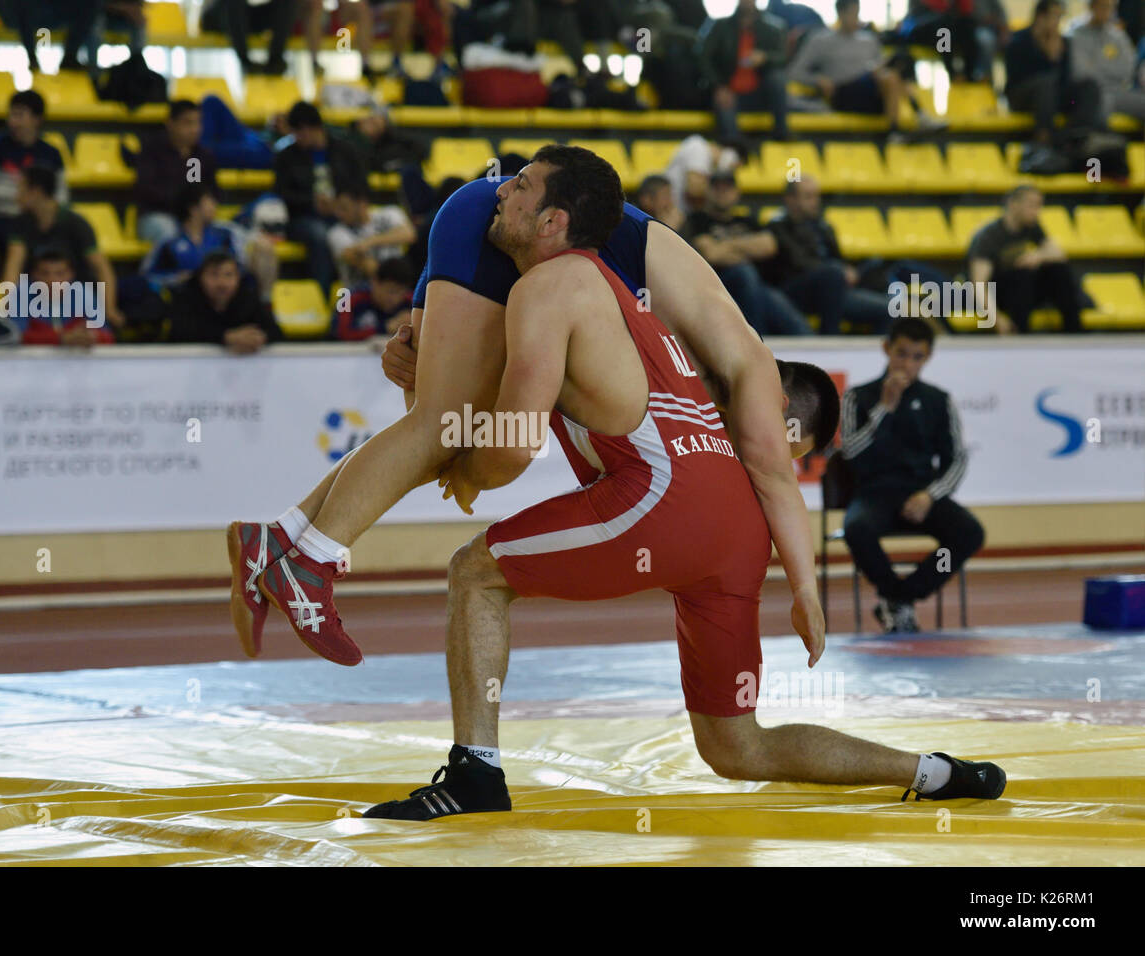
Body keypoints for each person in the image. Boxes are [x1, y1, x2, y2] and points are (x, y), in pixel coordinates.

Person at [351, 154, 1003, 818]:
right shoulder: (672, 336)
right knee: (736, 746)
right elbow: (774, 475)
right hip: (735, 532)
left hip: (665, 497)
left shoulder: (562, 292)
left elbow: (514, 431)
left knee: (475, 574)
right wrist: (805, 591)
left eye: (518, 191)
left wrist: (454, 446)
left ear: (553, 221)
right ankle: (934, 773)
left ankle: (475, 775)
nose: (501, 202)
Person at [226, 148, 817, 691]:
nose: (756, 454)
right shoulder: (751, 373)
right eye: (788, 440)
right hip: (514, 229)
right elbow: (774, 477)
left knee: (434, 421)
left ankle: (278, 539)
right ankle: (310, 562)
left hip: (499, 222)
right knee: (439, 425)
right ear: (784, 407)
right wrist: (806, 593)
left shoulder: (705, 356)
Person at [839, 318, 983, 634]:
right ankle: (894, 597)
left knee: (969, 533)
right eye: (901, 354)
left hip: (921, 493)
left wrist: (930, 495)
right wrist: (883, 409)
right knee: (856, 528)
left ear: (927, 357)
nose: (907, 363)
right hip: (874, 493)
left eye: (917, 356)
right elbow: (849, 453)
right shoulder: (857, 397)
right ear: (886, 349)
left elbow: (956, 459)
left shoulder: (938, 400)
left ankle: (902, 598)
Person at [788, 0, 945, 143]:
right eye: (853, 13)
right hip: (844, 94)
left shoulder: (869, 40)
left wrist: (880, 68)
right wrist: (818, 80)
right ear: (841, 13)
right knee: (889, 76)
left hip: (875, 93)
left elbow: (881, 67)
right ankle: (917, 115)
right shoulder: (821, 40)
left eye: (858, 13)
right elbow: (794, 71)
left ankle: (897, 130)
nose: (856, 18)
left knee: (897, 65)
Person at [757, 176, 893, 335]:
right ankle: (830, 337)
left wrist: (849, 271)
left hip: (835, 290)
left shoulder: (823, 226)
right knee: (833, 273)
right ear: (790, 199)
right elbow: (797, 263)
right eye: (808, 196)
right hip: (797, 292)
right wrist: (838, 271)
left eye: (816, 196)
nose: (815, 202)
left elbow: (838, 258)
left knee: (888, 306)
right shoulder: (777, 227)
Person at [683, 170, 811, 336]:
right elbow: (711, 254)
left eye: (728, 188)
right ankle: (758, 339)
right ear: (708, 191)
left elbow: (769, 246)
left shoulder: (746, 220)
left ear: (736, 193)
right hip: (718, 285)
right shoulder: (697, 220)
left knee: (770, 296)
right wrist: (747, 250)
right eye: (717, 188)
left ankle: (812, 345)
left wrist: (725, 246)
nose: (723, 193)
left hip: (754, 287)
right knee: (745, 272)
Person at [0, 166, 124, 330]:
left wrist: (110, 308)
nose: (16, 196)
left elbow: (103, 269)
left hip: (73, 293)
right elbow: (13, 266)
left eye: (21, 189)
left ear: (35, 191)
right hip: (35, 294)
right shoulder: (21, 223)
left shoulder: (76, 224)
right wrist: (7, 302)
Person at [273, 102, 367, 294]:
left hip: (343, 214)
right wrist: (311, 201)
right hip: (303, 217)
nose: (297, 138)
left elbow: (361, 184)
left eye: (299, 132)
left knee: (359, 231)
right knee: (320, 235)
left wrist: (344, 202)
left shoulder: (345, 150)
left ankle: (361, 292)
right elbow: (281, 193)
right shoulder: (287, 156)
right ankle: (323, 293)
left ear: (313, 128)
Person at [966, 184, 1082, 333]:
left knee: (1059, 270)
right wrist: (997, 319)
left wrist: (1038, 256)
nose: (1037, 212)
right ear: (1013, 205)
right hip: (998, 296)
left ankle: (1074, 331)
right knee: (1022, 275)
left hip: (1023, 293)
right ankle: (1021, 334)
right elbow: (979, 285)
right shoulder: (988, 236)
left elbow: (1059, 254)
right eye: (1032, 205)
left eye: (1039, 206)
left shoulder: (1031, 227)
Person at [0, 90, 70, 248]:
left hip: (40, 220)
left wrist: (39, 207)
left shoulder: (51, 154)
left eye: (19, 115)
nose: (13, 122)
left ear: (37, 119)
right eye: (11, 115)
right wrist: (26, 199)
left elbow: (62, 194)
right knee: (20, 259)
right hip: (2, 218)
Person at [1005, 0, 1104, 144]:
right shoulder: (1019, 40)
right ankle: (1044, 139)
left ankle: (1075, 135)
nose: (1057, 22)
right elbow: (1017, 77)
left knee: (1089, 86)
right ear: (1040, 17)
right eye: (1054, 16)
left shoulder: (1063, 43)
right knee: (1046, 83)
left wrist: (1056, 58)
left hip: (1053, 96)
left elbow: (1065, 78)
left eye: (1060, 17)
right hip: (1023, 97)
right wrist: (1045, 55)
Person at [133, 100, 220, 247]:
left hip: (193, 217)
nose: (194, 129)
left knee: (220, 233)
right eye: (187, 123)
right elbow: (147, 191)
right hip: (157, 216)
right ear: (170, 123)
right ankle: (171, 270)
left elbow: (212, 190)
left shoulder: (202, 156)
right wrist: (185, 206)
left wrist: (206, 204)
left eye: (198, 123)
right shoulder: (152, 151)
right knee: (170, 232)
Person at [705, 0, 791, 144]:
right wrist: (718, 86)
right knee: (724, 103)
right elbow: (704, 57)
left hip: (760, 93)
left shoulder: (774, 28)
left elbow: (783, 58)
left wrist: (765, 57)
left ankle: (782, 136)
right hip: (730, 90)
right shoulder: (720, 26)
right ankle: (735, 149)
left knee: (777, 78)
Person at [167, 249, 283, 352]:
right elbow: (180, 331)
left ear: (238, 277)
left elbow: (276, 332)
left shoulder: (247, 296)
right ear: (200, 277)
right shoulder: (186, 296)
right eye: (214, 275)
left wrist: (260, 338)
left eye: (229, 275)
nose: (222, 283)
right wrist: (226, 337)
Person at [1070, 0, 1145, 121]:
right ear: (1092, 7)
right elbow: (1081, 72)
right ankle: (1099, 137)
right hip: (1093, 94)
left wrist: (1095, 64)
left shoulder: (1118, 36)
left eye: (1111, 8)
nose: (1107, 12)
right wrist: (1111, 66)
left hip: (1119, 92)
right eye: (1103, 7)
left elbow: (1128, 69)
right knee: (1102, 102)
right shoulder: (1076, 35)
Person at [327, 183, 417, 285]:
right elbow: (370, 268)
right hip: (358, 291)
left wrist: (371, 241)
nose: (339, 214)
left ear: (362, 204)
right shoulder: (336, 232)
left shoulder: (389, 212)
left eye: (344, 208)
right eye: (337, 208)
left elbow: (409, 234)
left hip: (396, 286)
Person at [333, 255, 414, 340]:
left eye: (402, 293)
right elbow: (340, 334)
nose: (396, 298)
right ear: (375, 282)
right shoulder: (348, 299)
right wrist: (385, 328)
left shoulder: (412, 302)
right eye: (391, 291)